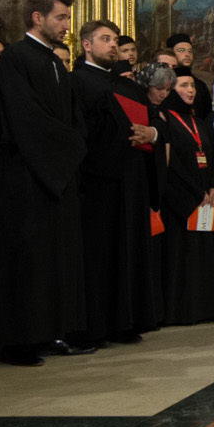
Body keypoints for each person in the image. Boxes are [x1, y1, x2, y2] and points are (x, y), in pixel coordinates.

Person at [0, 0, 90, 365]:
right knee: (26, 259)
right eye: (60, 18)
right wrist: (68, 146)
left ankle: (49, 331)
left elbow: (73, 115)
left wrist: (75, 144)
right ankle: (19, 340)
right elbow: (24, 117)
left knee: (54, 259)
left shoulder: (56, 62)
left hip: (57, 174)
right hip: (27, 175)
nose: (65, 26)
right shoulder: (16, 56)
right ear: (36, 17)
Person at [70, 18, 160, 345]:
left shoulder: (130, 87)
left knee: (130, 250)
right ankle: (93, 327)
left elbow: (151, 127)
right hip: (97, 182)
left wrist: (151, 133)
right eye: (104, 39)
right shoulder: (76, 82)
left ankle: (126, 321)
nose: (112, 45)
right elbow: (78, 134)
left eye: (115, 40)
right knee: (98, 254)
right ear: (86, 45)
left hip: (131, 179)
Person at [154, 65, 214, 324]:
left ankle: (203, 309)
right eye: (184, 86)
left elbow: (213, 157)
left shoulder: (198, 121)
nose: (191, 90)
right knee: (179, 257)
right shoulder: (165, 119)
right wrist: (196, 192)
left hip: (206, 197)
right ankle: (179, 312)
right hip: (180, 200)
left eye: (193, 86)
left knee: (202, 257)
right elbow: (171, 164)